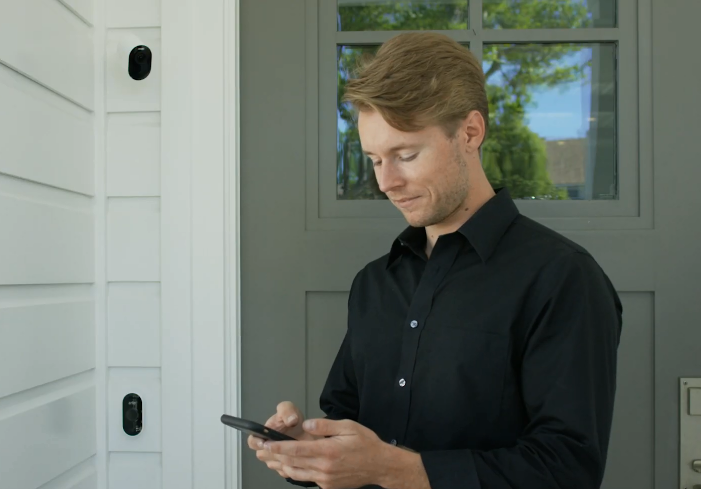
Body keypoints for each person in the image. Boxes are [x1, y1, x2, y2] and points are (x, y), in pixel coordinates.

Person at [246, 32, 623, 489]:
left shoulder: (563, 279)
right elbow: (348, 427)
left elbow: (568, 469)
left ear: (470, 132)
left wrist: (395, 469)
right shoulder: (374, 283)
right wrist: (310, 452)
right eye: (374, 159)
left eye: (405, 155)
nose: (386, 181)